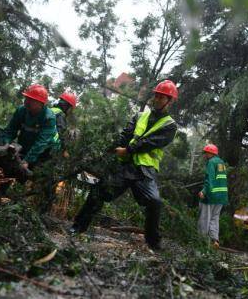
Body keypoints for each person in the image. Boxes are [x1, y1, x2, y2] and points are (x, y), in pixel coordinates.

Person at [70, 80, 179, 251]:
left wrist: (127, 149)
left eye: (161, 97)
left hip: (144, 172)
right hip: (125, 167)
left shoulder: (170, 126)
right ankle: (77, 227)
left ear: (170, 101)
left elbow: (150, 143)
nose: (157, 99)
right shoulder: (140, 115)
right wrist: (111, 149)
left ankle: (154, 243)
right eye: (156, 95)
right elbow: (125, 134)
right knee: (99, 191)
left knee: (154, 202)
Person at [3, 84, 60, 170]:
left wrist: (27, 161)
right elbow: (11, 130)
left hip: (45, 152)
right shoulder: (21, 110)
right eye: (26, 98)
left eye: (31, 100)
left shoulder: (49, 117)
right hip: (26, 146)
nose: (26, 101)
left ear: (41, 103)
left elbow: (41, 143)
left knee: (33, 173)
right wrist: (6, 144)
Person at [197, 144, 228, 248]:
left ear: (210, 153)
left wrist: (204, 191)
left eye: (206, 153)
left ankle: (202, 242)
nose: (205, 155)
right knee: (214, 218)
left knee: (205, 218)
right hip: (221, 197)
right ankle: (215, 240)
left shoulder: (211, 162)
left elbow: (210, 179)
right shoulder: (221, 162)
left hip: (211, 196)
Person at [50, 92, 77, 159]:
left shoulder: (51, 110)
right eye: (70, 108)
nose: (70, 111)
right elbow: (60, 133)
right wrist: (64, 150)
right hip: (49, 146)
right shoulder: (60, 114)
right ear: (66, 106)